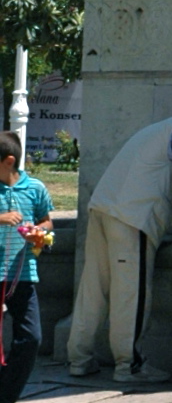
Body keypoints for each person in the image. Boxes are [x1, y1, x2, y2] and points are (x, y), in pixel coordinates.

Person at [69, 87, 172, 385]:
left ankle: (79, 358)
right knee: (132, 295)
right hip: (132, 218)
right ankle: (130, 366)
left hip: (104, 208)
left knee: (93, 290)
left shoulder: (160, 128)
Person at [0, 130, 53, 403]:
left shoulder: (35, 188)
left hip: (22, 274)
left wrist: (39, 232)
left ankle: (7, 394)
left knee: (31, 338)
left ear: (8, 161)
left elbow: (47, 221)